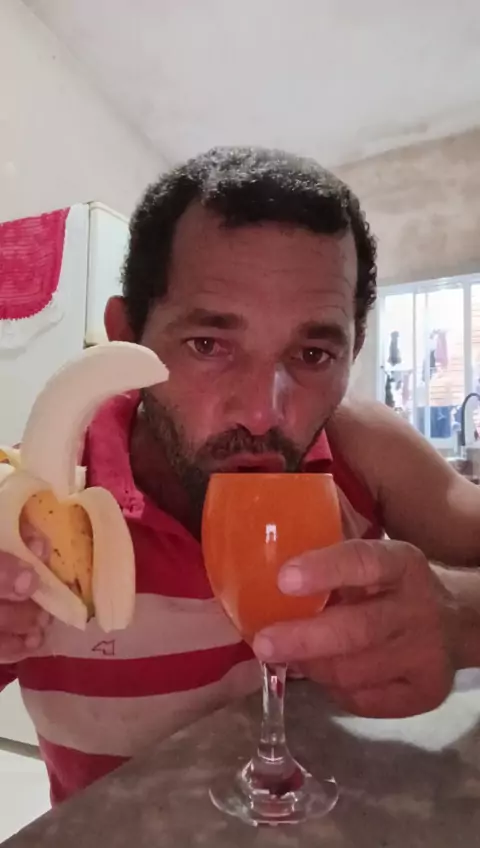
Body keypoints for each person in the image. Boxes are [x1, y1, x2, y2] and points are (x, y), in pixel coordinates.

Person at [2, 146, 480, 805]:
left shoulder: (363, 451)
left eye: (313, 353)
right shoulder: (33, 501)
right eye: (208, 344)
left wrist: (462, 618)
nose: (263, 412)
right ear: (125, 339)